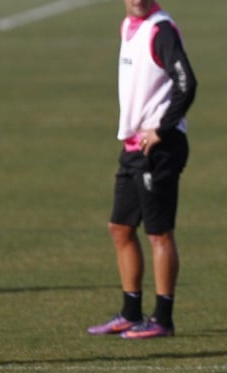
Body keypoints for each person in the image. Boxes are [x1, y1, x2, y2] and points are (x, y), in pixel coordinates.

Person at [87, 0, 197, 339]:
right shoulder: (127, 26)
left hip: (159, 148)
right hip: (134, 146)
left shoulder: (161, 30)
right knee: (120, 227)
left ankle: (163, 319)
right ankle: (130, 311)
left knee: (158, 233)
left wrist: (162, 129)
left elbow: (187, 82)